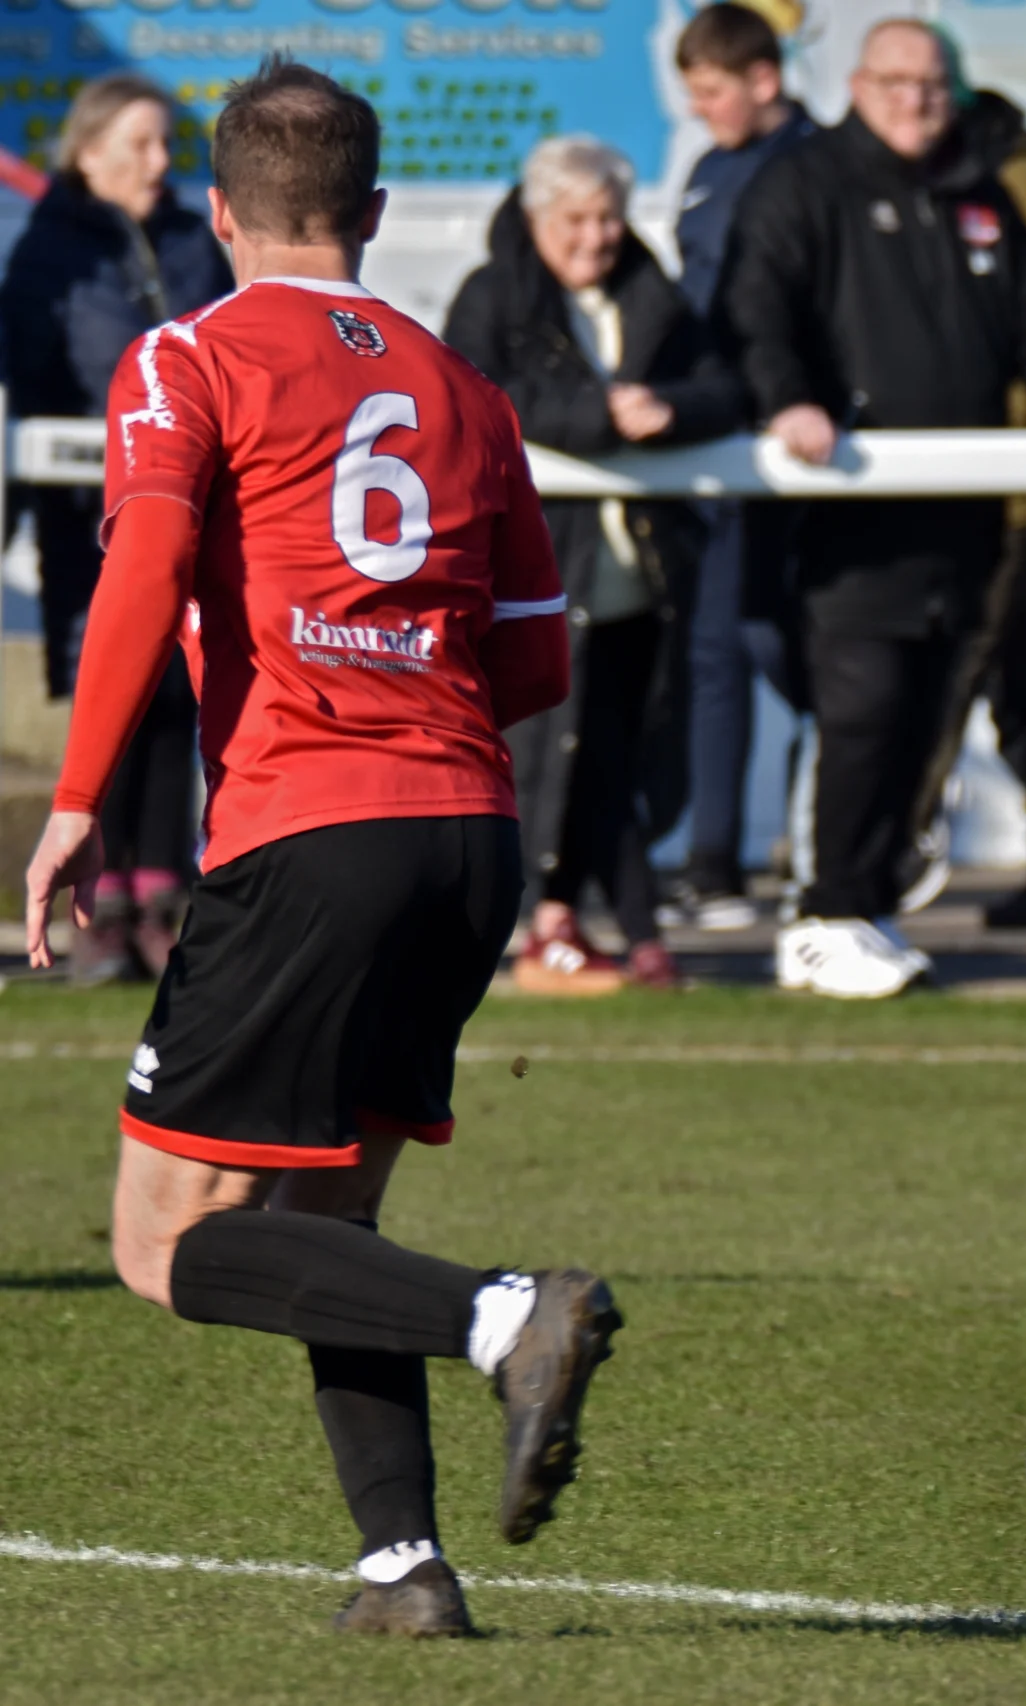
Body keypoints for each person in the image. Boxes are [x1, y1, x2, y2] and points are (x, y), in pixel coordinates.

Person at [19, 60, 619, 1635]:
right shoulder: (462, 386)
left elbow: (144, 560)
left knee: (169, 1246)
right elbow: (540, 662)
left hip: (311, 824)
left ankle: (506, 1315)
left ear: (218, 212)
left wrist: (77, 797)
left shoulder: (187, 354)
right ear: (370, 213)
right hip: (469, 832)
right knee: (322, 1227)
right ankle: (402, 1567)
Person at [721, 16, 1026, 999]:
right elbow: (758, 311)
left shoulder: (976, 194)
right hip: (849, 519)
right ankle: (822, 913)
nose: (917, 101)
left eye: (933, 86)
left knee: (923, 716)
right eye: (898, 83)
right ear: (860, 85)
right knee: (861, 707)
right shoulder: (804, 185)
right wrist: (789, 401)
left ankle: (864, 904)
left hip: (963, 518)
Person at [444, 136, 744, 995]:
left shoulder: (655, 295)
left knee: (615, 755)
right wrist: (600, 415)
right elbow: (474, 398)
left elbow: (724, 389)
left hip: (641, 578)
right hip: (537, 573)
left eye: (609, 216)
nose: (595, 236)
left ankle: (586, 924)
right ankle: (564, 921)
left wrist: (671, 408)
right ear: (537, 216)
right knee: (548, 756)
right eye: (576, 218)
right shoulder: (492, 296)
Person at [1, 73, 231, 983]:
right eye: (138, 143)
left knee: (183, 699)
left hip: (199, 510)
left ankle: (161, 896)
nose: (158, 161)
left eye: (164, 143)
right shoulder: (50, 247)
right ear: (88, 151)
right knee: (121, 696)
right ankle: (106, 910)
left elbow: (223, 347)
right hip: (90, 521)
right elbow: (60, 371)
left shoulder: (191, 236)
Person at [908, 42, 1026, 935]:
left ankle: (902, 849)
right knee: (1015, 680)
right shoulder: (1003, 176)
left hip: (1008, 482)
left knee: (966, 670)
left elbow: (1025, 327)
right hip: (985, 478)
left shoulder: (1015, 186)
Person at [662, 1, 816, 933]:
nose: (701, 111)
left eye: (713, 92)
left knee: (788, 647)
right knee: (716, 647)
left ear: (764, 78)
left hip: (798, 450)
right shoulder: (711, 169)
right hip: (718, 439)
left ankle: (853, 819)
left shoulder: (815, 167)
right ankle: (713, 865)